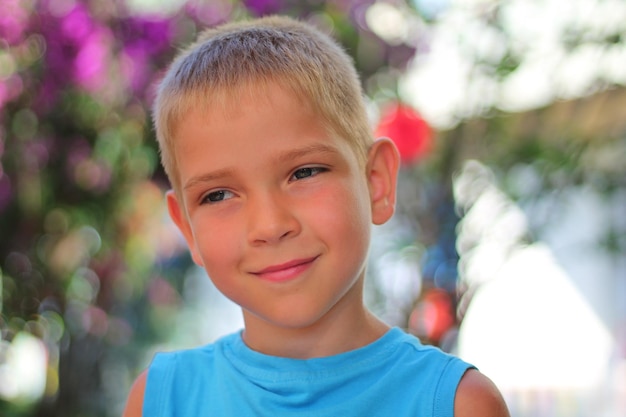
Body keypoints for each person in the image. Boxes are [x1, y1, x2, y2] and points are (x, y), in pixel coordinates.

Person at [123, 15, 510, 417]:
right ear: (187, 227)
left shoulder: (456, 405)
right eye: (218, 195)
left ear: (376, 182)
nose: (270, 226)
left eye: (304, 173)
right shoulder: (161, 400)